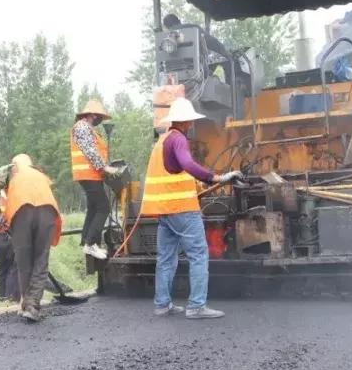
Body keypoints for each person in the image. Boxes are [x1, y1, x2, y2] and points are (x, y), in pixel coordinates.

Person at [142, 97, 243, 319]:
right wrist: (216, 177)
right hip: (183, 209)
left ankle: (162, 304)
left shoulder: (162, 141)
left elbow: (174, 172)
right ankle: (196, 306)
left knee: (166, 258)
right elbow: (187, 164)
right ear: (186, 121)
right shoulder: (178, 140)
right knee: (198, 254)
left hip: (165, 210)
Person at [0, 154, 63, 322]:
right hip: (48, 213)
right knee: (41, 260)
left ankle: (26, 303)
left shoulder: (9, 172)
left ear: (14, 164)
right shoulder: (40, 174)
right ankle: (32, 305)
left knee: (23, 261)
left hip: (22, 213)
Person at [71, 99, 120, 261]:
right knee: (103, 207)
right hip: (88, 174)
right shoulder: (82, 127)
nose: (100, 120)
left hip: (92, 174)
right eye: (99, 116)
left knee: (93, 208)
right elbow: (90, 150)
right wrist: (105, 168)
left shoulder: (88, 129)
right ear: (92, 115)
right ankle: (91, 244)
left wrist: (105, 171)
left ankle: (86, 240)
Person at [0, 189, 20, 303]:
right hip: (5, 233)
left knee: (2, 267)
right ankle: (11, 298)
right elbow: (5, 215)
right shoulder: (6, 194)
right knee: (13, 266)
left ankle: (2, 298)